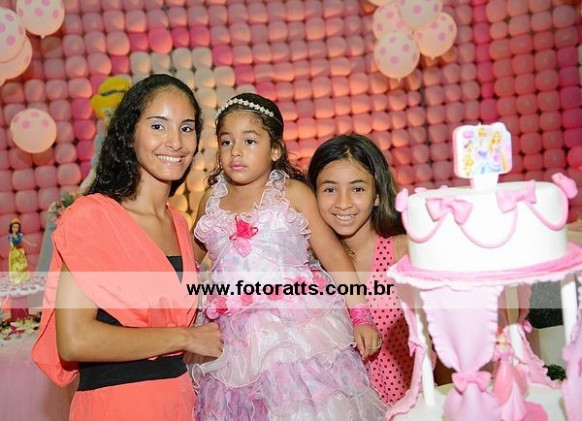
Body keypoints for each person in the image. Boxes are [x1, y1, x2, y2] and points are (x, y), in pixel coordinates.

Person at [31, 74, 222, 421]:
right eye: (158, 126)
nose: (175, 142)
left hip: (178, 403)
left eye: (186, 128)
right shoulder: (92, 217)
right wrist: (185, 337)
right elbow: (75, 339)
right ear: (130, 134)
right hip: (117, 405)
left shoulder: (179, 225)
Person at [192, 93, 386, 420]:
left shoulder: (293, 194)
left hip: (296, 334)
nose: (236, 151)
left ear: (275, 150)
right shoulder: (210, 200)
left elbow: (334, 256)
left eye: (249, 141)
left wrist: (360, 316)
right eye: (226, 142)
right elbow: (189, 260)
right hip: (234, 342)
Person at [307, 134, 414, 405]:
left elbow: (442, 340)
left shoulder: (405, 252)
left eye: (357, 189)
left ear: (377, 195)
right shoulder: (306, 265)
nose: (343, 203)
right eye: (329, 189)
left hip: (410, 406)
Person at [8, 218, 36, 284]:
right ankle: (16, 279)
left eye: (17, 227)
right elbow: (11, 243)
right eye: (14, 227)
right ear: (11, 227)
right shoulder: (10, 237)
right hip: (14, 252)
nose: (15, 229)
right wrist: (13, 248)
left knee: (23, 264)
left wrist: (31, 244)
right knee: (15, 266)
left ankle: (24, 278)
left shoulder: (19, 235)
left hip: (20, 251)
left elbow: (25, 241)